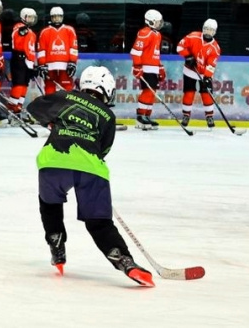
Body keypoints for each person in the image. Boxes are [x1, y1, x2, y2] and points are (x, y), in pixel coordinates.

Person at [26, 66, 154, 287]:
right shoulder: (107, 115)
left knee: (50, 204)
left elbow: (34, 107)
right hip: (91, 167)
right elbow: (103, 149)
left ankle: (56, 242)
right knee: (99, 223)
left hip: (53, 160)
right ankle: (125, 261)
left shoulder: (65, 96)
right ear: (107, 90)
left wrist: (52, 122)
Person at [176, 19, 221, 128]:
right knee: (189, 93)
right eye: (206, 29)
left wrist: (207, 77)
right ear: (202, 28)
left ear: (214, 32)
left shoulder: (215, 48)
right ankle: (186, 115)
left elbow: (211, 65)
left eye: (211, 30)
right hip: (190, 70)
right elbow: (179, 47)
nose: (207, 32)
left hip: (203, 73)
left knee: (206, 94)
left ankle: (209, 116)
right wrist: (187, 55)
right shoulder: (193, 36)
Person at [131, 9, 166, 130]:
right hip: (145, 68)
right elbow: (135, 52)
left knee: (152, 92)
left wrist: (160, 67)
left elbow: (156, 53)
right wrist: (137, 66)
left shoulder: (157, 34)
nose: (159, 24)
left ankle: (147, 115)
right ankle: (140, 116)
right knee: (148, 91)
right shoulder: (145, 32)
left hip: (153, 68)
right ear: (150, 22)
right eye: (157, 22)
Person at [37, 6, 78, 95]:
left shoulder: (69, 30)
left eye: (59, 16)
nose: (57, 19)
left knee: (67, 87)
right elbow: (42, 50)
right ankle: (49, 107)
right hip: (49, 66)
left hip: (65, 65)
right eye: (54, 16)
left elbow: (73, 47)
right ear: (51, 18)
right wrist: (42, 64)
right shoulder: (45, 32)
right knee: (49, 87)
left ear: (62, 17)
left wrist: (72, 62)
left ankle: (68, 106)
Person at [8, 8, 37, 118]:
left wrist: (32, 65)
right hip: (18, 59)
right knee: (18, 85)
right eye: (29, 17)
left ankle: (18, 108)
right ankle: (12, 110)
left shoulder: (31, 33)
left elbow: (31, 50)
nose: (31, 19)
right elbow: (17, 35)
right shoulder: (19, 27)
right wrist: (22, 31)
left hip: (27, 62)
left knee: (24, 85)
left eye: (32, 17)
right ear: (23, 17)